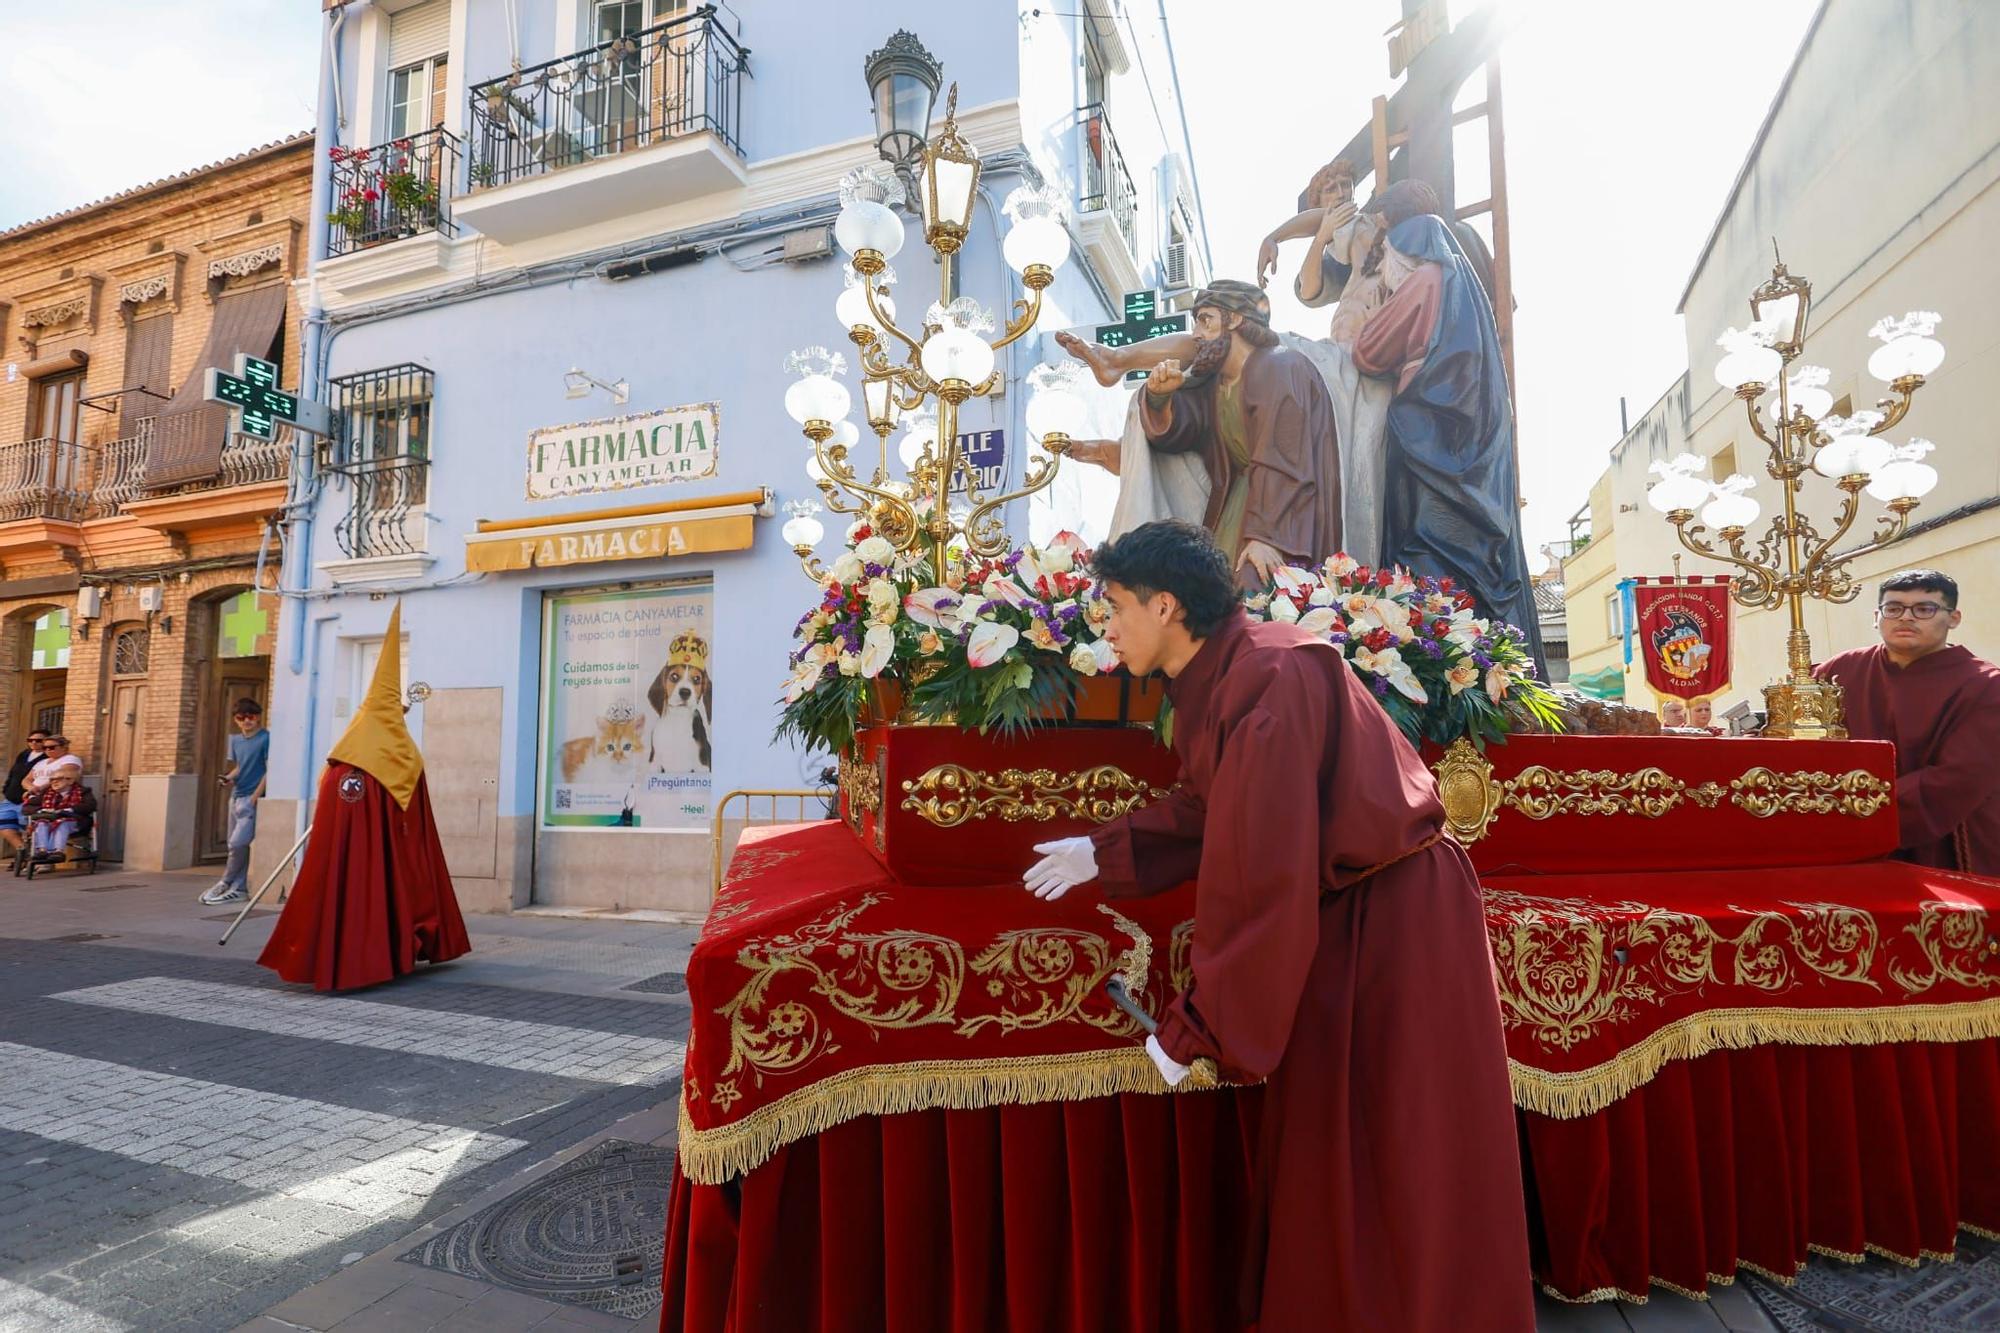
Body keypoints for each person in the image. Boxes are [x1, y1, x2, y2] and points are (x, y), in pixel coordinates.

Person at [1021, 520, 1532, 1332]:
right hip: (1361, 906)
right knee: (1351, 1138)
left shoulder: (1267, 674)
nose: (1105, 626)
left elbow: (1261, 870)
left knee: (1401, 1139)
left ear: (1165, 604)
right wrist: (1103, 851)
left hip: (1397, 917)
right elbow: (1212, 806)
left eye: (1115, 606)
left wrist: (1199, 1024)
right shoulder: (1226, 675)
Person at [1352, 212, 1546, 675]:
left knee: (1428, 551)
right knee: (1470, 560)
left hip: (1433, 445)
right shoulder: (1467, 288)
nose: (1384, 275)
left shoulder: (1426, 279)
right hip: (1473, 451)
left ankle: (1442, 663)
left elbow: (1368, 350)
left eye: (1384, 263)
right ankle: (1481, 659)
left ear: (1403, 253)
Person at [1816, 569, 2000, 875]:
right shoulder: (1839, 671)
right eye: (1894, 608)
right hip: (1844, 845)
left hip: (1946, 838)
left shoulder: (1985, 684)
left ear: (1953, 618)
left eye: (1924, 609)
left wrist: (1851, 813)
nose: (1906, 617)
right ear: (1877, 617)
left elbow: (1959, 778)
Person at [201, 700, 269, 906]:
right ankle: (239, 888)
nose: (247, 721)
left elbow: (269, 770)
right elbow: (240, 766)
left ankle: (226, 881)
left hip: (251, 798)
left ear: (258, 716)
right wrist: (229, 778)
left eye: (251, 716)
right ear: (236, 720)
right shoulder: (236, 741)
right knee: (236, 846)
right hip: (236, 797)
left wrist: (254, 798)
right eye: (241, 717)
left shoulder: (266, 738)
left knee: (237, 843)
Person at [24, 767, 92, 865]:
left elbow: (90, 806)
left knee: (62, 823)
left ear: (70, 780)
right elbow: (27, 807)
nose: (54, 782)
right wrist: (41, 810)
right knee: (41, 823)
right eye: (52, 780)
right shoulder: (47, 794)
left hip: (74, 822)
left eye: (58, 779)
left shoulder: (83, 792)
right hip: (50, 820)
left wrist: (67, 810)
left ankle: (58, 852)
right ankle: (42, 851)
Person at [1, 729, 48, 855]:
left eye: (38, 740)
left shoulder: (47, 758)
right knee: (4, 825)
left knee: (27, 828)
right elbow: (13, 773)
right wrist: (6, 788)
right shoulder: (24, 754)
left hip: (29, 799)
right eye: (30, 740)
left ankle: (36, 856)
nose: (34, 742)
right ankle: (22, 852)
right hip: (10, 798)